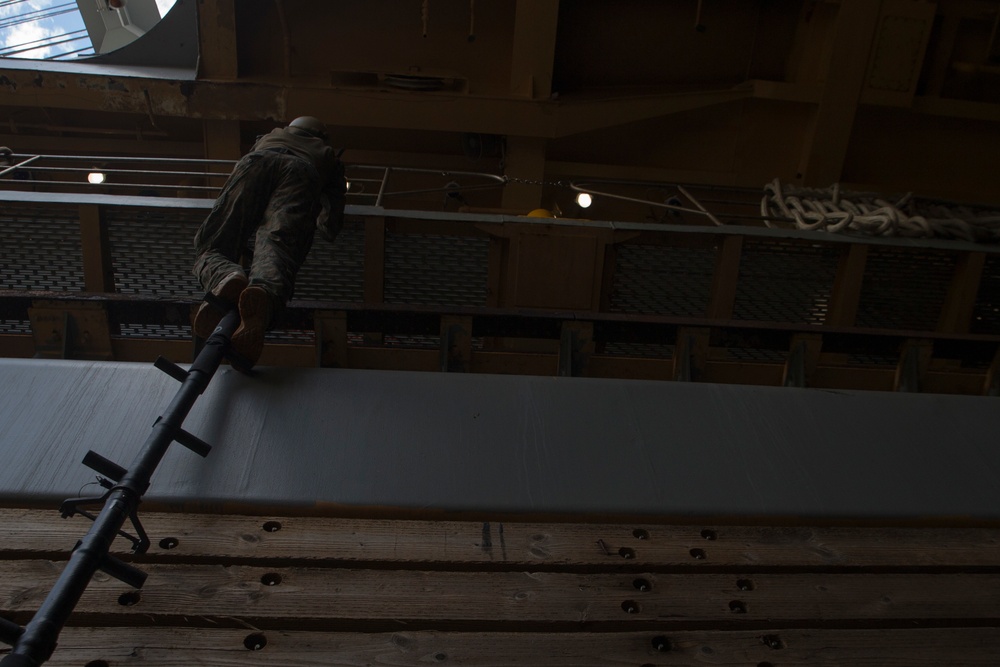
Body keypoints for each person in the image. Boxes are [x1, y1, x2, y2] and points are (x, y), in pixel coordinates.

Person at [192, 116, 346, 366]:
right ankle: (263, 293)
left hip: (257, 162)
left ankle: (224, 276)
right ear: (321, 135)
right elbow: (332, 214)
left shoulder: (267, 137)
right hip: (302, 173)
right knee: (276, 244)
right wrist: (326, 225)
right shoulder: (327, 154)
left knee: (212, 244)